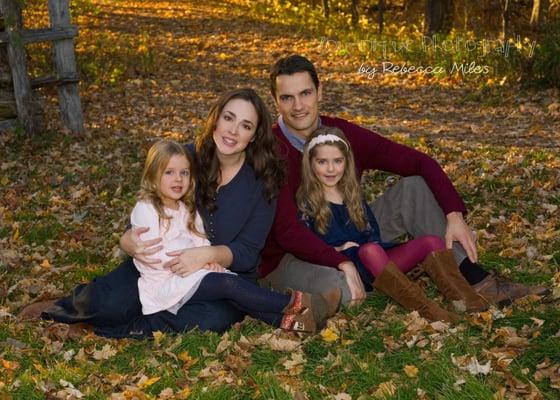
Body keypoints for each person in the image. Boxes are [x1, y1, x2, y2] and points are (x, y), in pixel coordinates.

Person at [258, 54, 548, 307]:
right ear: (275, 101)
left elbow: (419, 162)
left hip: (351, 233)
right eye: (287, 97)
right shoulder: (269, 150)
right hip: (291, 256)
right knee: (346, 292)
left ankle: (478, 280)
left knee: (414, 188)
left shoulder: (344, 135)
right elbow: (287, 232)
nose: (298, 105)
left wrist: (454, 214)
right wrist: (340, 260)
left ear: (320, 92)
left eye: (305, 93)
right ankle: (382, 270)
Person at [27, 88, 295, 338]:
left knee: (212, 319)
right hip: (161, 263)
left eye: (245, 125)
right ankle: (71, 306)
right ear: (216, 118)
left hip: (219, 274)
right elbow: (150, 205)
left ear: (255, 135)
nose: (233, 131)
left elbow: (248, 253)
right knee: (110, 303)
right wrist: (127, 239)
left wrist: (208, 255)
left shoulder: (263, 182)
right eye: (229, 118)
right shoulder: (186, 159)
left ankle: (131, 326)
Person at [130, 139, 340, 332]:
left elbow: (199, 238)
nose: (178, 179)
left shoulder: (186, 207)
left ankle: (299, 322)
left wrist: (206, 258)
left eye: (184, 173)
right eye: (169, 172)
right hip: (166, 281)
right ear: (153, 176)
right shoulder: (146, 208)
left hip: (192, 271)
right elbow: (152, 254)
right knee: (229, 285)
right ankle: (305, 304)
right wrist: (193, 263)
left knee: (239, 296)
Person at [297, 126, 493, 321]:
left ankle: (467, 300)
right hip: (349, 269)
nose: (331, 169)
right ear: (310, 164)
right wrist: (337, 250)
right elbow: (307, 247)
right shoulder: (307, 203)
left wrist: (370, 245)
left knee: (431, 242)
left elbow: (372, 232)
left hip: (375, 262)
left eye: (337, 161)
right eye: (322, 162)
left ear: (346, 162)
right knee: (369, 251)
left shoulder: (351, 194)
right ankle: (426, 309)